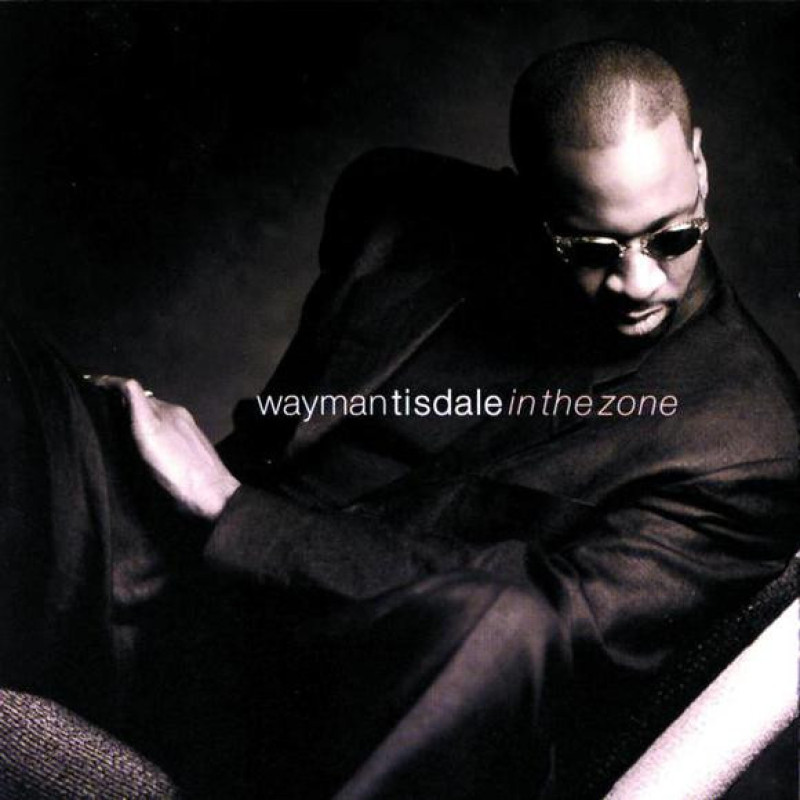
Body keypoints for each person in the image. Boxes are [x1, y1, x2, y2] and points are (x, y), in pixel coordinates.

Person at [1, 39, 798, 798]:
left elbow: (561, 630)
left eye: (674, 237)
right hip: (164, 591)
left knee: (508, 626)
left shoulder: (748, 439)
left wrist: (229, 509)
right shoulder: (403, 206)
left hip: (356, 712)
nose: (639, 282)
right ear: (532, 198)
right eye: (590, 249)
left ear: (699, 165)